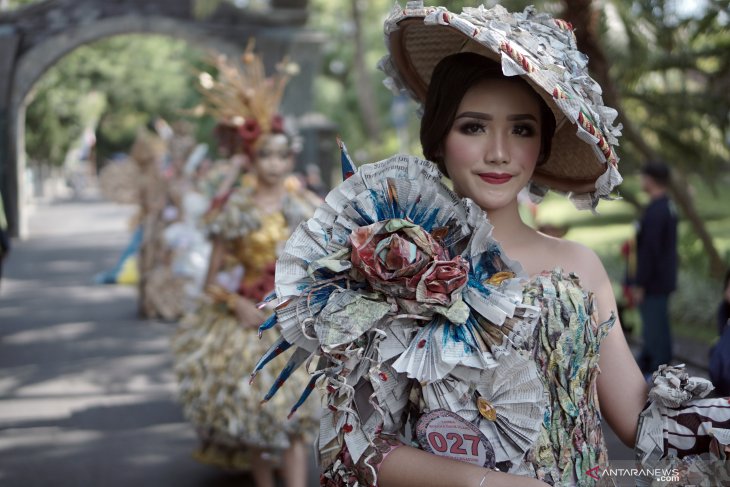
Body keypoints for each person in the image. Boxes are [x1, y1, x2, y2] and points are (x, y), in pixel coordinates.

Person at [254, 3, 730, 486]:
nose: (499, 152)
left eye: (521, 129)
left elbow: (635, 419)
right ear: (438, 137)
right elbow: (354, 447)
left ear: (541, 145)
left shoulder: (580, 266)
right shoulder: (391, 263)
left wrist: (717, 431)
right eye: (474, 127)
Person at [171, 42, 319, 487]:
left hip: (293, 320)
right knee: (256, 417)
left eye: (282, 155)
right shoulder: (234, 209)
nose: (275, 164)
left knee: (294, 416)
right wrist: (233, 301)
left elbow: (325, 264)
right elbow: (212, 276)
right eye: (265, 156)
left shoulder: (303, 207)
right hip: (248, 324)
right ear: (251, 160)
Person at [632, 161, 678, 377]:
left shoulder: (657, 212)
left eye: (643, 177)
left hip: (654, 281)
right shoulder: (666, 206)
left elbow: (650, 251)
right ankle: (652, 359)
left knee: (654, 324)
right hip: (662, 278)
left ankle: (658, 368)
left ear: (650, 179)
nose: (641, 181)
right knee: (657, 323)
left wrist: (640, 283)